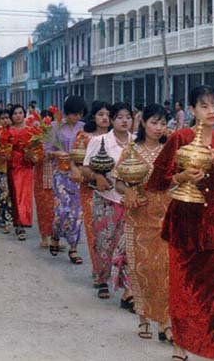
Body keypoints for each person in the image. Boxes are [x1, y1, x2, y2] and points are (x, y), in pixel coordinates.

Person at [146, 85, 214, 361]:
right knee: (182, 285)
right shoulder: (179, 139)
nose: (211, 111)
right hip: (184, 220)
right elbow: (156, 183)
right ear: (191, 110)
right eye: (203, 105)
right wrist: (183, 177)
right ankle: (180, 345)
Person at [115, 104, 172, 341]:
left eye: (162, 123)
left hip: (165, 216)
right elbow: (118, 181)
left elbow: (176, 181)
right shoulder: (131, 150)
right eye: (154, 122)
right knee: (141, 268)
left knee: (166, 270)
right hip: (138, 217)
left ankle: (165, 322)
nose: (158, 128)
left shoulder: (169, 151)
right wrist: (126, 192)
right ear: (144, 123)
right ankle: (143, 318)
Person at [82, 102, 133, 301]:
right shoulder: (100, 141)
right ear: (112, 120)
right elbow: (86, 168)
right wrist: (97, 177)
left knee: (128, 245)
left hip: (130, 200)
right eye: (120, 117)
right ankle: (102, 279)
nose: (124, 121)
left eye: (128, 117)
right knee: (104, 242)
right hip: (106, 199)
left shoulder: (136, 142)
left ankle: (127, 288)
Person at [45, 96, 87, 264]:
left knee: (77, 212)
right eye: (74, 114)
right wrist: (57, 153)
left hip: (77, 173)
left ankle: (73, 248)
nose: (76, 117)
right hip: (61, 174)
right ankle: (55, 235)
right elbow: (47, 150)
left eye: (79, 114)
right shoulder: (55, 127)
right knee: (62, 210)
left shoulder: (83, 128)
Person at [74, 101, 111, 285]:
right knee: (93, 229)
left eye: (108, 114)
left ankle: (106, 268)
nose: (105, 118)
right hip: (90, 189)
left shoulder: (117, 138)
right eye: (100, 114)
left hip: (113, 191)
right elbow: (77, 161)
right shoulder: (85, 137)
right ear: (93, 116)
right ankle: (98, 269)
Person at [9, 105, 35, 241]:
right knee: (16, 194)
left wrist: (31, 154)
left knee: (25, 195)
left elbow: (36, 147)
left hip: (27, 165)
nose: (18, 115)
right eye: (15, 113)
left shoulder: (31, 130)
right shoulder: (8, 130)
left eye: (20, 113)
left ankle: (24, 221)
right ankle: (18, 223)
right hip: (13, 165)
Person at [34, 110, 55, 248]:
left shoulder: (57, 136)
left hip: (56, 178)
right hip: (41, 177)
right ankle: (44, 236)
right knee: (42, 208)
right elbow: (32, 157)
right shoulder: (36, 137)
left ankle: (54, 237)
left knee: (55, 209)